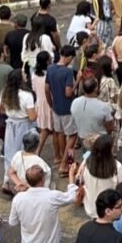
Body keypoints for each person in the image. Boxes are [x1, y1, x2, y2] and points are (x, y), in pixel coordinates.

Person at [0, 70, 37, 195]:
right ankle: (23, 182)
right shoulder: (27, 95)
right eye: (23, 75)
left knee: (9, 152)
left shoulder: (5, 92)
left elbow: (1, 110)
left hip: (10, 125)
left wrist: (12, 113)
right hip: (24, 125)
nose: (25, 75)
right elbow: (32, 117)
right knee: (24, 152)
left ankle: (6, 180)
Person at [45, 45, 77, 174]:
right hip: (67, 108)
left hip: (56, 107)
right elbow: (68, 93)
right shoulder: (68, 72)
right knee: (73, 135)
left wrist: (50, 104)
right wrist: (78, 81)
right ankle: (65, 163)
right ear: (69, 57)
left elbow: (47, 89)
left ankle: (65, 158)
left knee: (60, 133)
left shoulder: (50, 68)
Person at [78, 133, 122, 219]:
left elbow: (79, 178)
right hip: (110, 210)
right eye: (112, 147)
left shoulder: (86, 162)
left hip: (92, 207)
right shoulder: (116, 166)